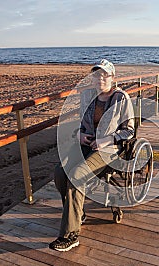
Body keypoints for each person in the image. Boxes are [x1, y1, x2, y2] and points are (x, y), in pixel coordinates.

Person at [49, 59, 135, 251]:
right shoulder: (87, 95)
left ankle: (70, 234)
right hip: (86, 145)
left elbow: (129, 131)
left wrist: (106, 141)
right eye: (97, 75)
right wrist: (79, 135)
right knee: (60, 172)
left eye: (105, 75)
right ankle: (77, 213)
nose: (100, 78)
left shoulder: (121, 98)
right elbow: (81, 124)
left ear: (113, 78)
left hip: (109, 150)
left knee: (77, 175)